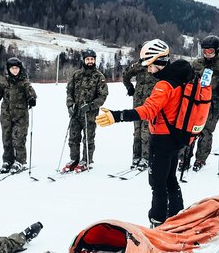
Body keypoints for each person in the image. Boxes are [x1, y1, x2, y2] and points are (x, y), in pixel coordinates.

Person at [96, 39, 196, 227]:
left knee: (157, 184)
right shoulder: (181, 78)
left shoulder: (164, 86)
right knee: (170, 180)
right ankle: (177, 216)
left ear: (158, 61)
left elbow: (148, 110)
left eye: (149, 65)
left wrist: (117, 116)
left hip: (161, 140)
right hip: (176, 138)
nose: (147, 69)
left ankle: (157, 221)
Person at [178, 35, 219, 172]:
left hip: (212, 103)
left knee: (206, 132)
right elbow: (186, 77)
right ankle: (184, 158)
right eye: (205, 51)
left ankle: (200, 159)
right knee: (190, 130)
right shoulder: (196, 63)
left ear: (217, 51)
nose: (208, 54)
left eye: (211, 51)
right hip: (196, 101)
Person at [0, 57, 37, 174]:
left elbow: (32, 94)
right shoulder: (3, 83)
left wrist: (31, 100)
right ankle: (8, 160)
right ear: (8, 69)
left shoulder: (24, 83)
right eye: (12, 68)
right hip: (6, 116)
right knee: (7, 139)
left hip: (21, 116)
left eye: (16, 68)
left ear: (20, 69)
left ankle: (20, 160)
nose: (14, 70)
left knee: (18, 139)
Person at [62, 49, 108, 173]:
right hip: (76, 113)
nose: (90, 61)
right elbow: (69, 91)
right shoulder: (76, 75)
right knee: (73, 138)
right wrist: (70, 105)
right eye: (88, 59)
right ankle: (74, 159)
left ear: (94, 60)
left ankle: (86, 160)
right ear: (84, 60)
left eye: (92, 59)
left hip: (90, 114)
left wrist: (91, 105)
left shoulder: (99, 77)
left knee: (88, 139)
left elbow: (102, 96)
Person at [122, 55, 158, 170]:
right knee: (137, 130)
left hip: (150, 103)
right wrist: (129, 88)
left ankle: (146, 157)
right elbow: (126, 75)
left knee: (146, 131)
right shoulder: (139, 65)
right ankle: (136, 156)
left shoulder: (157, 65)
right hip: (137, 102)